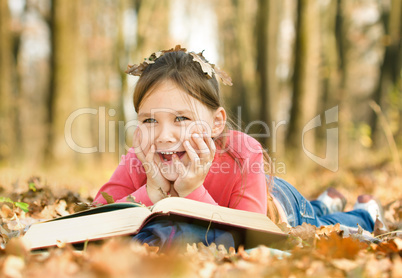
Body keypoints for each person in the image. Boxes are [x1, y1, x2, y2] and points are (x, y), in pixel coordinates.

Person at [93, 45, 383, 249]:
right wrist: (151, 192)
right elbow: (95, 217)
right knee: (320, 211)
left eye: (181, 118)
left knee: (322, 224)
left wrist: (191, 191)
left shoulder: (244, 153)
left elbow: (251, 238)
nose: (163, 136)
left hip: (279, 205)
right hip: (250, 201)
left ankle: (364, 212)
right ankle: (325, 200)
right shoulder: (140, 156)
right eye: (149, 120)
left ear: (217, 122)